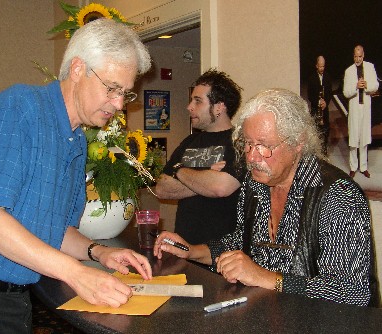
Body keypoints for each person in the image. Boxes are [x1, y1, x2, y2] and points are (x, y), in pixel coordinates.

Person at [0, 19, 153, 333]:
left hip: (12, 302)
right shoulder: (20, 108)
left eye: (125, 94)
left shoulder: (76, 140)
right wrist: (76, 273)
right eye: (112, 89)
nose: (119, 104)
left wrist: (100, 252)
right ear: (77, 69)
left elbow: (55, 231)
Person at [154, 88, 378, 307]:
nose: (252, 157)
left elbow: (353, 293)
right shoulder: (256, 185)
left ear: (298, 142)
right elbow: (239, 242)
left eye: (264, 146)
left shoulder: (338, 195)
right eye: (248, 144)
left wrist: (264, 277)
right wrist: (192, 251)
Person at [155, 69, 244, 244]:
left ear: (219, 107)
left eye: (198, 101)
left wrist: (179, 170)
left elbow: (221, 187)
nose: (189, 107)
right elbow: (162, 188)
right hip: (183, 247)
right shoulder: (189, 141)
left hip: (221, 255)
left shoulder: (239, 142)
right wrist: (207, 176)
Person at [343, 45, 379, 178]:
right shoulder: (348, 71)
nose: (358, 59)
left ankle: (363, 167)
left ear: (363, 56)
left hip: (365, 107)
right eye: (355, 56)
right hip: (354, 109)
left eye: (360, 56)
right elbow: (346, 93)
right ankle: (353, 167)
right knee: (354, 139)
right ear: (353, 56)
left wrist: (367, 85)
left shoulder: (370, 67)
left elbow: (376, 85)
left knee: (364, 138)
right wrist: (356, 86)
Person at [307, 55, 333, 153]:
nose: (322, 68)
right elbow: (310, 95)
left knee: (326, 129)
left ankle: (324, 148)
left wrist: (326, 102)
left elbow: (330, 93)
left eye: (323, 66)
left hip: (324, 108)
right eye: (320, 66)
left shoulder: (328, 77)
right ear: (316, 66)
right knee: (316, 129)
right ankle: (316, 150)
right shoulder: (311, 78)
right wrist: (318, 102)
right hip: (315, 109)